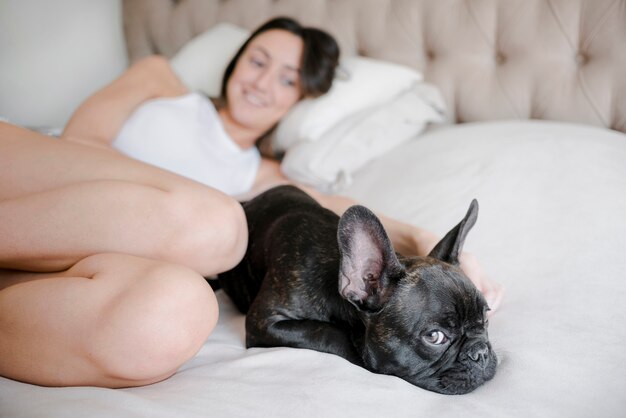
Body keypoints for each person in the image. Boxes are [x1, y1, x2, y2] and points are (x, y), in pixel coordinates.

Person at [0, 17, 503, 389]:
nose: (263, 82)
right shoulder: (161, 81)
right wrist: (190, 197)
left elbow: (347, 211)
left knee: (175, 314)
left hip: (73, 256)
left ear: (300, 101)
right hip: (31, 177)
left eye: (287, 78)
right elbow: (80, 142)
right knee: (221, 226)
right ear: (234, 63)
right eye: (257, 61)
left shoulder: (269, 177)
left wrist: (434, 247)